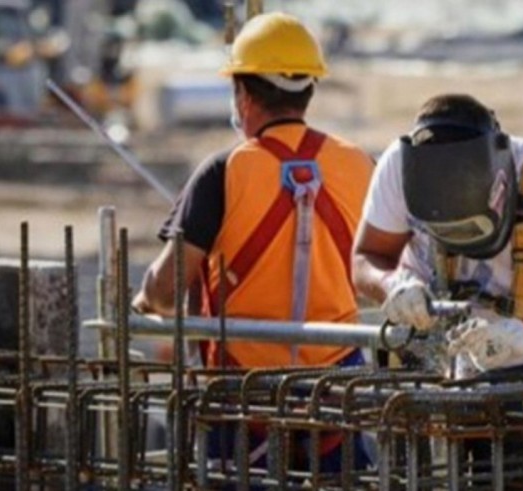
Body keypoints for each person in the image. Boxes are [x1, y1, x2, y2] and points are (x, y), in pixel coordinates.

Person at [132, 11, 373, 482]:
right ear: (309, 88)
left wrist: (145, 301)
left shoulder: (223, 171)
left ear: (242, 94)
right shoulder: (357, 165)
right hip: (337, 395)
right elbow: (376, 274)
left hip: (243, 401)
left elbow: (165, 289)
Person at [352, 93, 523, 488]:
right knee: (411, 480)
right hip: (425, 357)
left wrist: (522, 336)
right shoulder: (398, 168)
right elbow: (366, 257)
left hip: (522, 365)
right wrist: (394, 286)